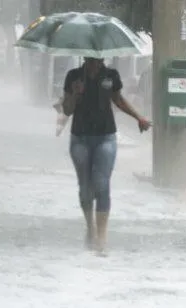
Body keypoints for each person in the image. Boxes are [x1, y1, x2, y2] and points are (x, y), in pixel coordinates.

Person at [61, 57, 152, 253]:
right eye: (92, 60)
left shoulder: (111, 76)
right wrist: (75, 94)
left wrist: (139, 117)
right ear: (85, 57)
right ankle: (90, 227)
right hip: (80, 139)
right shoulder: (74, 76)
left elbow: (118, 100)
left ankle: (101, 237)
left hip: (105, 138)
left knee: (101, 184)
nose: (96, 63)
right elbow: (66, 110)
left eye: (99, 59)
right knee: (85, 186)